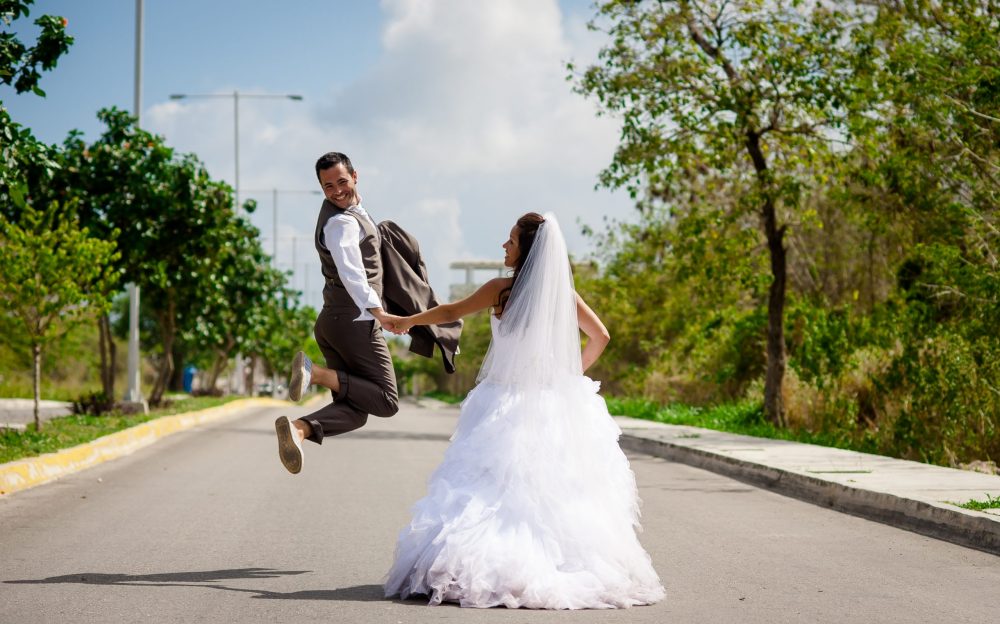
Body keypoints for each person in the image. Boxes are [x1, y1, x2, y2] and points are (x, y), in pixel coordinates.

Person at [381, 212, 665, 609]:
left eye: (511, 241)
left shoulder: (501, 291)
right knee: (553, 490)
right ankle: (558, 565)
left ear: (527, 252)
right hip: (551, 400)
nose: (504, 245)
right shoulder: (563, 296)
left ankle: (484, 568)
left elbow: (448, 313)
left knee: (491, 489)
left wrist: (405, 321)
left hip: (504, 401)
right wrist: (567, 377)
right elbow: (601, 336)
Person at [274, 152, 400, 474]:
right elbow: (351, 272)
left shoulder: (354, 213)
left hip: (333, 323)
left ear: (355, 176)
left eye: (341, 181)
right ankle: (314, 373)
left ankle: (299, 429)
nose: (337, 191)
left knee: (354, 412)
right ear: (322, 188)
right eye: (328, 186)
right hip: (355, 323)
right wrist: (379, 313)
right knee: (386, 400)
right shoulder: (341, 222)